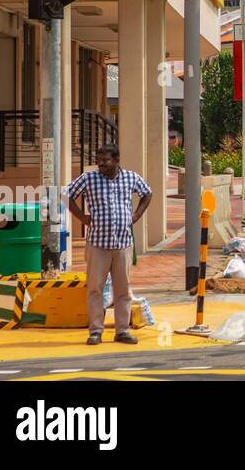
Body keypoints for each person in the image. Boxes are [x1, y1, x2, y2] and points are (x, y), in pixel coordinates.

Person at [64, 144, 153, 346]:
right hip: (98, 244)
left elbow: (148, 193)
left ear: (117, 160)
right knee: (95, 289)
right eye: (99, 160)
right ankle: (95, 331)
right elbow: (66, 195)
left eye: (105, 160)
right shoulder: (89, 179)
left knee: (123, 290)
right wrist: (82, 218)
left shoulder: (131, 177)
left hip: (123, 244)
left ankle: (122, 331)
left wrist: (137, 215)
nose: (101, 164)